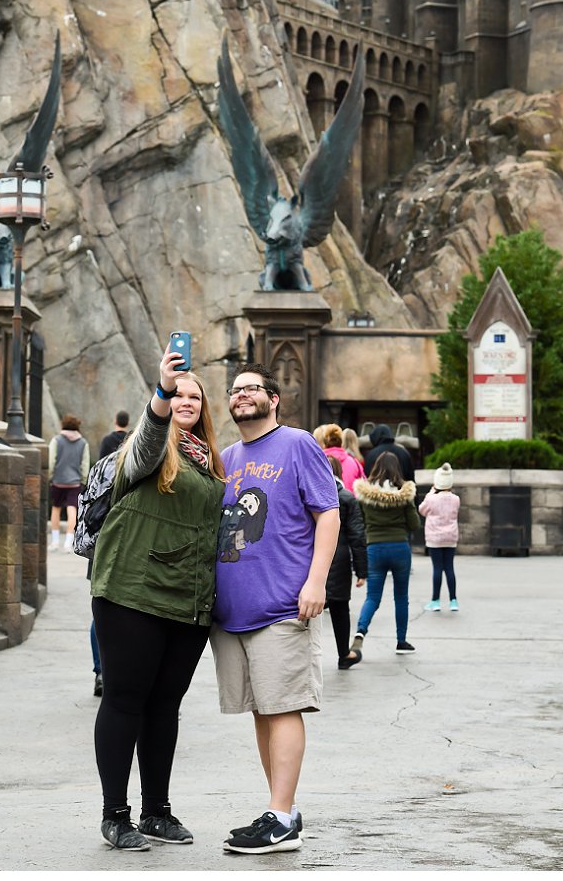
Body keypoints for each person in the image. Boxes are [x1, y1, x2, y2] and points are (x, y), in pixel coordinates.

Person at [90, 346, 224, 851]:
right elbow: (149, 438)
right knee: (126, 700)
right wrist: (162, 394)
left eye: (194, 395)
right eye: (178, 394)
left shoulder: (211, 461)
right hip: (132, 591)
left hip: (188, 601)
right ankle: (115, 815)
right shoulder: (145, 450)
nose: (186, 400)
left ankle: (156, 812)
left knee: (165, 706)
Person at [210, 362, 338, 855]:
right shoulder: (227, 457)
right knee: (262, 711)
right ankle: (278, 811)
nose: (242, 395)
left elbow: (327, 512)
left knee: (283, 706)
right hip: (234, 612)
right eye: (235, 390)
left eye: (252, 389)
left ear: (273, 398)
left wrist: (315, 582)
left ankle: (282, 816)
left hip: (284, 602)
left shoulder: (298, 443)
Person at [351, 455, 421, 659]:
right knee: (401, 596)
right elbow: (415, 524)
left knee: (372, 597)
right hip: (400, 548)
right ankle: (401, 641)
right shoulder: (404, 494)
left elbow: (361, 523)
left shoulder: (366, 495)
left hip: (375, 549)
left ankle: (360, 631)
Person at [87, 413, 134, 695]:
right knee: (107, 613)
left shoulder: (106, 449)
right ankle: (108, 672)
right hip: (114, 543)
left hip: (104, 542)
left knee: (101, 614)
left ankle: (102, 672)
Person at [324, 457, 368, 670]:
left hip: (310, 560)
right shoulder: (347, 498)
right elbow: (357, 536)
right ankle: (344, 654)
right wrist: (361, 570)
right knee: (340, 609)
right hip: (339, 561)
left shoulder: (309, 495)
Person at [419, 462, 462, 613]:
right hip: (450, 537)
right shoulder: (455, 499)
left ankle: (435, 600)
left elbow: (422, 510)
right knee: (449, 568)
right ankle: (453, 600)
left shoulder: (431, 499)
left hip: (434, 538)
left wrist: (431, 493)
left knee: (437, 568)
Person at [50, 414, 92, 548]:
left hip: (58, 480)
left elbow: (51, 460)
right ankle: (68, 541)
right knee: (72, 509)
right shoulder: (83, 443)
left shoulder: (56, 440)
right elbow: (85, 464)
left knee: (56, 509)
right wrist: (84, 480)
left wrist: (51, 476)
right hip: (74, 482)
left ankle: (55, 541)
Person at [317, 423, 364, 492]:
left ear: (324, 444)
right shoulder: (354, 462)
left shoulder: (317, 462)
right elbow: (363, 484)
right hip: (349, 501)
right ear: (341, 442)